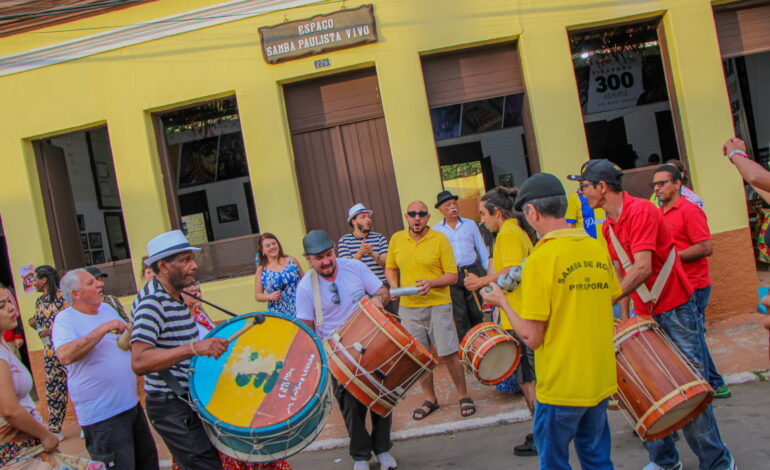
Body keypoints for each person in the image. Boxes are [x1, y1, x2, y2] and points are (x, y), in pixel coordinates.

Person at [577, 159, 735, 470]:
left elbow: (642, 267)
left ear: (602, 187)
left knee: (690, 387)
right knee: (647, 388)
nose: (582, 194)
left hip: (676, 307)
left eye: (583, 187)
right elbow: (620, 270)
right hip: (644, 312)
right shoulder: (609, 226)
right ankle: (664, 461)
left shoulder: (641, 211)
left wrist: (604, 302)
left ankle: (717, 461)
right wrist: (623, 318)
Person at [480, 173, 619, 470]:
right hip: (599, 377)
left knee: (554, 462)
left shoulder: (541, 260)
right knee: (597, 458)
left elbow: (532, 337)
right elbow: (609, 298)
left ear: (531, 212)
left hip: (561, 385)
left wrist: (502, 301)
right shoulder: (595, 246)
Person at [294, 230, 396, 470]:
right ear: (309, 259)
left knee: (382, 397)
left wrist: (377, 301)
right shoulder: (306, 287)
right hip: (337, 353)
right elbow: (305, 330)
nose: (326, 261)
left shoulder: (354, 267)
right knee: (351, 405)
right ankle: (361, 456)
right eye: (319, 258)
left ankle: (382, 450)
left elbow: (384, 293)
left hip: (371, 341)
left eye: (329, 254)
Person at [130, 230, 229, 470]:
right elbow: (139, 361)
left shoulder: (175, 296)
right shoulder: (152, 303)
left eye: (192, 259)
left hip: (186, 399)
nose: (194, 266)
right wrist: (194, 348)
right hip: (170, 405)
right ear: (163, 266)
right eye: (185, 260)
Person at [52, 269, 159, 470]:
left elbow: (117, 345)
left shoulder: (107, 309)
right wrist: (103, 329)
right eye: (91, 283)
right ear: (75, 294)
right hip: (103, 416)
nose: (99, 285)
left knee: (147, 463)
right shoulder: (65, 320)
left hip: (130, 405)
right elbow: (65, 355)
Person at [183, 282, 292, 470]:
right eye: (188, 288)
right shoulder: (181, 325)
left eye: (196, 286)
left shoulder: (202, 317)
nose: (195, 289)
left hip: (225, 385)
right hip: (207, 391)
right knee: (229, 447)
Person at [463, 187, 538, 456]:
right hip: (521, 312)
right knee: (528, 377)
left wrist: (481, 282)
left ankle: (541, 434)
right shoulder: (515, 231)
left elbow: (513, 272)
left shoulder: (508, 232)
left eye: (483, 214)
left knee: (528, 380)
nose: (481, 220)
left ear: (497, 212)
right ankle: (542, 430)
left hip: (519, 315)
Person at [385, 201, 475, 420]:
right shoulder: (397, 239)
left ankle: (463, 395)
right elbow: (390, 267)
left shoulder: (439, 239)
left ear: (427, 217)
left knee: (448, 352)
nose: (417, 218)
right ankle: (430, 399)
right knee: (419, 357)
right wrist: (394, 285)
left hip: (438, 304)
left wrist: (431, 283)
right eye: (413, 214)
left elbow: (452, 275)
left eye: (422, 214)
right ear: (406, 216)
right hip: (409, 307)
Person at [653, 164, 731, 399]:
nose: (657, 188)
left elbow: (706, 247)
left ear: (677, 184)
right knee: (692, 337)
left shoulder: (689, 210)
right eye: (654, 185)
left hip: (695, 284)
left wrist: (672, 258)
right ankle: (715, 384)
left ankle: (710, 387)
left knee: (693, 338)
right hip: (676, 285)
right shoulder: (659, 212)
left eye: (662, 183)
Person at [0, 283, 61, 466]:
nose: (11, 307)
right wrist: (46, 435)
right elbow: (10, 410)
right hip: (15, 446)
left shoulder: (4, 346)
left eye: (8, 301)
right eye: (1, 306)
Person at [432, 191, 490, 340]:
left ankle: (481, 342)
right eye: (448, 205)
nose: (452, 207)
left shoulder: (469, 224)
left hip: (471, 271)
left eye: (454, 203)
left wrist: (488, 274)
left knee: (477, 309)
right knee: (460, 314)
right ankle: (467, 346)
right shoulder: (436, 231)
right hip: (452, 274)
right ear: (440, 209)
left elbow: (481, 248)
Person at [28, 264, 68, 439]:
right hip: (49, 352)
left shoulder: (63, 298)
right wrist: (34, 322)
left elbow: (69, 320)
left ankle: (85, 424)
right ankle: (55, 428)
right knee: (53, 389)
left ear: (44, 280)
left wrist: (53, 330)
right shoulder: (39, 301)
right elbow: (38, 320)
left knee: (76, 386)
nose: (34, 282)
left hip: (67, 349)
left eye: (35, 279)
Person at [337, 204, 392, 312]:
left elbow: (386, 262)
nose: (368, 220)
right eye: (363, 217)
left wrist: (372, 253)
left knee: (389, 323)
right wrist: (360, 253)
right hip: (357, 293)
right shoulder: (344, 241)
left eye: (368, 217)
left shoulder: (379, 237)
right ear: (353, 221)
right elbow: (345, 269)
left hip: (380, 290)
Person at [254, 233, 303, 316]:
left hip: (301, 308)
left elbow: (304, 280)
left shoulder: (292, 260)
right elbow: (258, 295)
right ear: (263, 251)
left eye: (274, 243)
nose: (272, 247)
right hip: (279, 314)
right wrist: (269, 296)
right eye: (267, 246)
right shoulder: (261, 270)